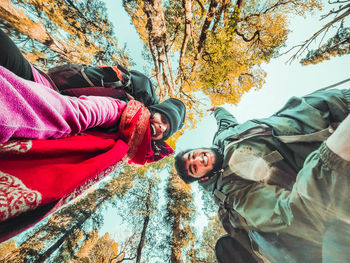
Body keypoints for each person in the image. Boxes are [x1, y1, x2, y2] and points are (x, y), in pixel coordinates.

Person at [0, 29, 186, 241]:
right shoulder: (128, 111)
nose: (161, 127)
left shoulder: (128, 148)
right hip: (42, 91)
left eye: (166, 130)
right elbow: (75, 115)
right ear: (154, 109)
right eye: (163, 118)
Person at [175, 88, 350, 262]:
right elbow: (289, 210)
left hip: (330, 107)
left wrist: (218, 110)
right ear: (203, 177)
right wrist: (331, 157)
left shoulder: (222, 137)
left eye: (193, 155)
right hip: (332, 154)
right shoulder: (231, 191)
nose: (198, 159)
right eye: (194, 168)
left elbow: (225, 121)